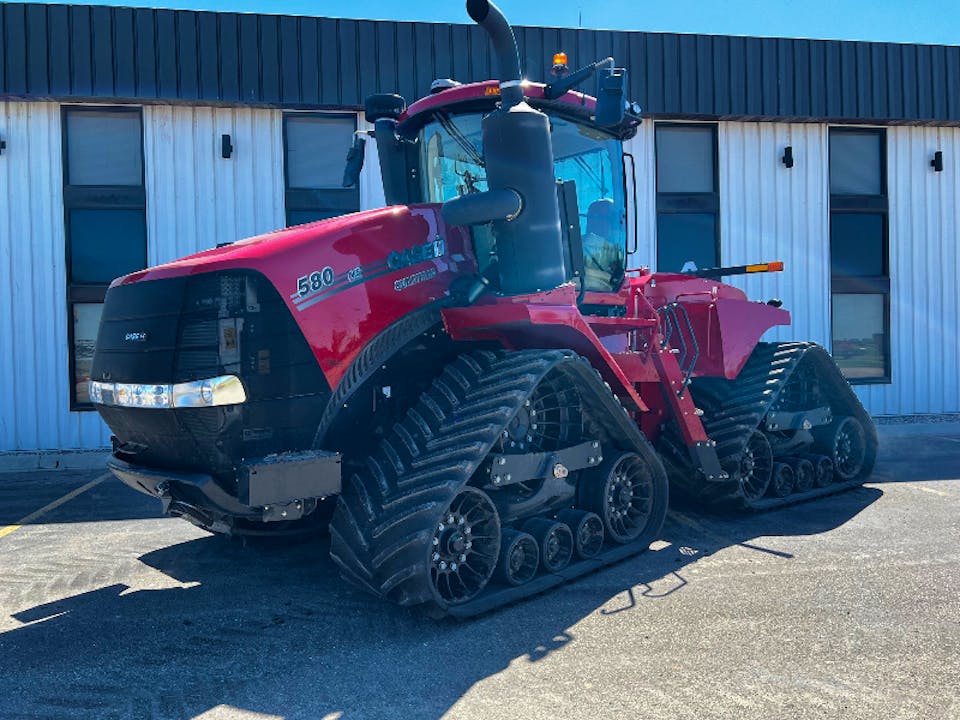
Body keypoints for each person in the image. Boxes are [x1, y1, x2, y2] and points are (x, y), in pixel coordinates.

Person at [581, 198, 625, 292]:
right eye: (592, 216)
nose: (593, 221)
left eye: (612, 219)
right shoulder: (572, 246)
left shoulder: (617, 250)